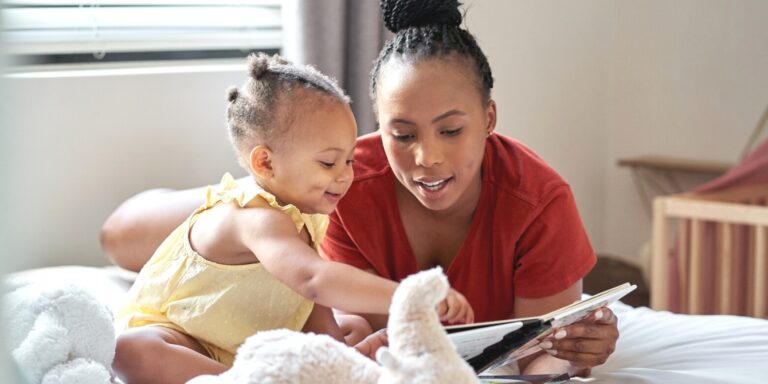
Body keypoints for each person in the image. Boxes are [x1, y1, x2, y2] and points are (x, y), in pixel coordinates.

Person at [102, 0, 619, 377]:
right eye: (402, 133)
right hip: (241, 222)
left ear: (489, 120)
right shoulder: (336, 183)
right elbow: (316, 289)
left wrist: (574, 353)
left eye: (452, 130)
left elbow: (536, 354)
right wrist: (248, 203)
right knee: (124, 243)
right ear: (377, 127)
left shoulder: (539, 202)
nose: (427, 157)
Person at [110, 53, 473, 384]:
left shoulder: (306, 221)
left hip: (249, 339)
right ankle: (244, 377)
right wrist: (407, 296)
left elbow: (311, 311)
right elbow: (315, 280)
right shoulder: (252, 216)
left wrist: (344, 355)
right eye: (328, 163)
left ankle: (270, 374)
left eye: (349, 160)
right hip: (189, 340)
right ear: (265, 163)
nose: (345, 175)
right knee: (132, 350)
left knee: (356, 326)